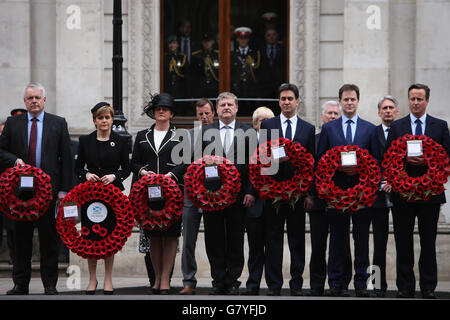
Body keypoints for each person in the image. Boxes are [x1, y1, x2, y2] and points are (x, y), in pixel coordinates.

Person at [0, 82, 73, 295]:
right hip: (20, 195)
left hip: (49, 193)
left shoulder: (58, 123)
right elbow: (1, 151)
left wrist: (64, 191)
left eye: (37, 97)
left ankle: (49, 285)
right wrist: (16, 161)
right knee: (21, 241)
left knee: (49, 240)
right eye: (29, 98)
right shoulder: (13, 123)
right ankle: (20, 284)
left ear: (44, 100)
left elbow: (66, 159)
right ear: (24, 101)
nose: (33, 101)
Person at [385, 83, 450, 299]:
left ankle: (428, 286)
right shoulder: (397, 126)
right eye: (412, 98)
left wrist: (428, 160)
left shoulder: (439, 126)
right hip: (403, 194)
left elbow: (446, 159)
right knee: (403, 241)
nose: (415, 103)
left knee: (428, 241)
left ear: (427, 101)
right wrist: (405, 159)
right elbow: (388, 158)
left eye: (419, 99)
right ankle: (405, 286)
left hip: (430, 195)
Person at [316, 84, 381, 297]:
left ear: (358, 101)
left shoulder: (370, 129)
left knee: (362, 240)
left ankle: (362, 284)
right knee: (337, 240)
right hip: (336, 194)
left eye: (353, 99)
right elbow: (321, 161)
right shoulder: (329, 129)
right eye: (346, 99)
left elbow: (376, 162)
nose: (349, 103)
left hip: (362, 195)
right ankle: (337, 283)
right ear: (340, 101)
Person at [196, 92, 256, 295]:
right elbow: (196, 165)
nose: (226, 107)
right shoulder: (205, 131)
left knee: (235, 238)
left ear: (237, 108)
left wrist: (251, 192)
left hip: (239, 197)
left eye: (230, 104)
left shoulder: (248, 132)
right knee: (213, 238)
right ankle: (218, 280)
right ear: (217, 109)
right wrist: (199, 194)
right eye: (222, 105)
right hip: (210, 196)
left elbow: (253, 166)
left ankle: (232, 281)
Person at [260, 83, 315, 296]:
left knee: (297, 241)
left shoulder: (307, 129)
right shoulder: (268, 126)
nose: (286, 102)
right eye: (283, 99)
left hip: (298, 196)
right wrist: (274, 160)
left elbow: (312, 163)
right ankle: (274, 285)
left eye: (290, 98)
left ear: (297, 101)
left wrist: (309, 193)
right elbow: (262, 159)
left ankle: (296, 284)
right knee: (273, 240)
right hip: (273, 194)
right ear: (279, 102)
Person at [130, 93, 186, 295]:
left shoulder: (181, 135)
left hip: (173, 195)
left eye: (165, 109)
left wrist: (172, 174)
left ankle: (165, 280)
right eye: (158, 109)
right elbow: (134, 162)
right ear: (153, 113)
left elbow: (186, 161)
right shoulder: (142, 135)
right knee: (153, 236)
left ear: (171, 113)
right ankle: (155, 279)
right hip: (148, 195)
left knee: (171, 237)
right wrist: (143, 172)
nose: (161, 111)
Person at [75, 102, 131, 295]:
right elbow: (77, 168)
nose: (104, 121)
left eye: (107, 117)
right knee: (91, 236)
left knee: (109, 237)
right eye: (100, 118)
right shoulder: (85, 141)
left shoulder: (120, 141)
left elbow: (127, 167)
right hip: (90, 195)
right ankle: (92, 279)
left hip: (112, 195)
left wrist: (116, 176)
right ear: (95, 120)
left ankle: (108, 278)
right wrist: (86, 175)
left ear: (112, 119)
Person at [179, 98, 215, 295]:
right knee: (188, 241)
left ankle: (218, 279)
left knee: (215, 239)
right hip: (191, 195)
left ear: (213, 113)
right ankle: (188, 281)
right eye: (200, 114)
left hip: (215, 195)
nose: (204, 117)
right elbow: (182, 164)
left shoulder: (221, 133)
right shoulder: (189, 135)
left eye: (207, 113)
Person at [307, 101, 342, 296]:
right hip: (318, 201)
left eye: (336, 114)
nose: (333, 117)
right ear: (322, 117)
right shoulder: (314, 139)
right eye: (329, 113)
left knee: (339, 245)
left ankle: (338, 284)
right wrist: (310, 195)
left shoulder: (344, 139)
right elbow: (308, 169)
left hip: (341, 200)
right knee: (318, 245)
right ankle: (316, 285)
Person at [242, 106, 274, 296]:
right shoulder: (246, 142)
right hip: (252, 203)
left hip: (272, 202)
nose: (263, 124)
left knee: (272, 247)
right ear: (254, 125)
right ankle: (252, 284)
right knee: (254, 248)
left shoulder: (278, 143)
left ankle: (272, 284)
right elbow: (245, 172)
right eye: (260, 121)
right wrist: (249, 192)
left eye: (267, 120)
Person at [369, 95, 399, 297]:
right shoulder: (372, 133)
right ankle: (377, 285)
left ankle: (405, 284)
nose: (388, 111)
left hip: (401, 194)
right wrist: (382, 181)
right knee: (378, 243)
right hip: (377, 195)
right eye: (384, 108)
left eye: (391, 108)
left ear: (396, 111)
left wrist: (394, 181)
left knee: (403, 242)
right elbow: (370, 159)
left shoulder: (404, 131)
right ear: (379, 112)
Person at [230, 27, 261, 115]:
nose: (243, 40)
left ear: (248, 39)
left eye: (245, 38)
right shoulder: (232, 54)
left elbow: (258, 73)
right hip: (236, 91)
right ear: (237, 39)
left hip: (251, 91)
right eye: (241, 38)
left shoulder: (255, 54)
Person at [258, 28, 286, 111]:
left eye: (273, 35)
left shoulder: (284, 49)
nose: (271, 37)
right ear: (265, 37)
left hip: (278, 85)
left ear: (277, 36)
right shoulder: (260, 49)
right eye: (269, 35)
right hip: (264, 87)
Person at [190, 33, 220, 99]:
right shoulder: (196, 56)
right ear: (202, 43)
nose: (207, 43)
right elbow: (193, 76)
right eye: (205, 41)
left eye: (209, 41)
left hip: (215, 89)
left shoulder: (218, 55)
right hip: (201, 90)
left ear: (213, 42)